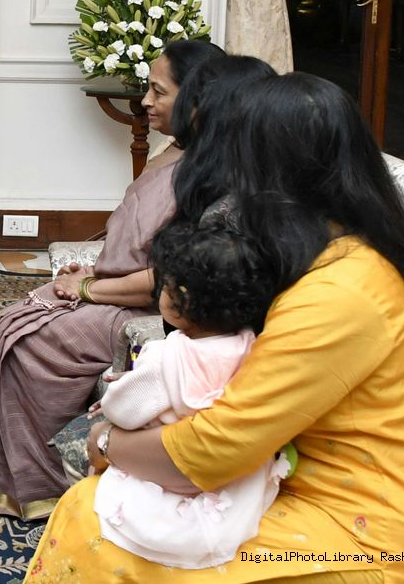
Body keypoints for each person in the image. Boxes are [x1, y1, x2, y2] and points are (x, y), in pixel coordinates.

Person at [29, 73, 404, 582]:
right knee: (101, 507)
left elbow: (213, 452)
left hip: (373, 535)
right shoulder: (325, 250)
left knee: (95, 525)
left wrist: (106, 443)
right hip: (294, 484)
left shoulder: (343, 290)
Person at [0, 40, 242, 520]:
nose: (145, 101)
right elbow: (137, 241)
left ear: (198, 100)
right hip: (119, 291)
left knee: (26, 341)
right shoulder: (173, 151)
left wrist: (88, 289)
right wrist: (93, 270)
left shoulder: (213, 174)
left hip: (150, 311)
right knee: (13, 319)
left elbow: (169, 277)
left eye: (159, 92)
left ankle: (46, 483)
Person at [88, 214, 285, 570]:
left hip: (171, 468)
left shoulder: (167, 356)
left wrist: (118, 392)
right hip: (236, 483)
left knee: (97, 483)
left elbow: (122, 412)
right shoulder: (253, 346)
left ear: (179, 301)